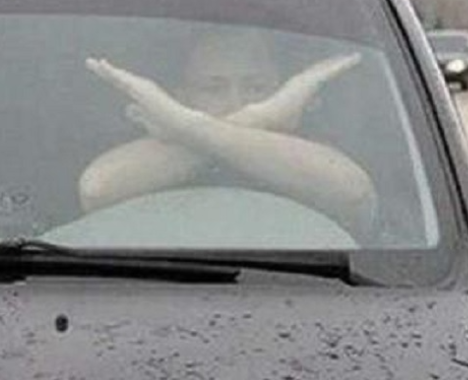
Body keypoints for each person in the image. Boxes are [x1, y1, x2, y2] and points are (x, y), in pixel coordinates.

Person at [79, 30, 377, 238]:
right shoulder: (154, 154)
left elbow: (354, 195)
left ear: (280, 90)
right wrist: (263, 116)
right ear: (182, 97)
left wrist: (185, 127)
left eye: (256, 87)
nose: (238, 102)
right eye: (214, 88)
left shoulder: (306, 156)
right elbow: (97, 189)